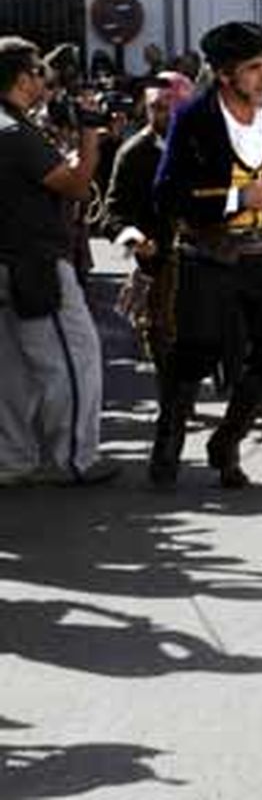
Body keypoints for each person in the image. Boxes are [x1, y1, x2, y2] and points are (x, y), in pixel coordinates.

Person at [150, 23, 262, 489]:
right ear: (225, 75)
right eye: (253, 69)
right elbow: (167, 193)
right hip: (210, 256)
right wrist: (236, 200)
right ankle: (169, 438)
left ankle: (227, 440)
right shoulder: (195, 118)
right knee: (196, 353)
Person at [0, 38, 116, 486]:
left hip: (10, 263)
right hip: (34, 263)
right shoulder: (15, 133)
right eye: (38, 71)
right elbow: (75, 184)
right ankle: (75, 458)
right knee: (74, 358)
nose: (44, 79)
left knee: (11, 369)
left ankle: (11, 460)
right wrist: (90, 136)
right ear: (22, 77)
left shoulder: (13, 128)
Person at [105, 72, 195, 372]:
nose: (165, 113)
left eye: (173, 106)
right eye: (157, 107)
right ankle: (172, 410)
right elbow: (112, 213)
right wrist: (134, 239)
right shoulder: (133, 154)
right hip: (160, 264)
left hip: (209, 259)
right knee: (164, 340)